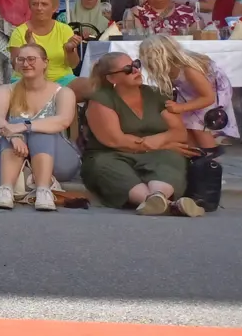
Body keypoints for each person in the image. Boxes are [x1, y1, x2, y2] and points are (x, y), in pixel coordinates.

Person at [83, 51, 202, 216]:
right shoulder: (101, 99)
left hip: (155, 152)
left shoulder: (155, 94)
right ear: (111, 78)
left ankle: (157, 199)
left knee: (172, 158)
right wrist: (163, 144)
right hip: (112, 154)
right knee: (106, 167)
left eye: (136, 65)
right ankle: (170, 205)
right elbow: (115, 141)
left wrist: (158, 141)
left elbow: (179, 132)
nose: (135, 70)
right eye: (127, 69)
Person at [0, 44, 79, 212]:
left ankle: (43, 190)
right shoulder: (6, 90)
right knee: (14, 127)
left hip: (58, 158)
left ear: (45, 62)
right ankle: (6, 189)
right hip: (13, 153)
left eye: (31, 59)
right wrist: (13, 136)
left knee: (40, 130)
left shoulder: (63, 92)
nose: (25, 64)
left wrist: (25, 126)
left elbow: (63, 121)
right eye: (21, 59)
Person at [139, 34, 236, 151]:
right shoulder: (168, 69)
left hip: (213, 92)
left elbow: (208, 98)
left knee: (199, 125)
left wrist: (181, 107)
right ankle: (194, 153)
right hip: (192, 92)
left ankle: (211, 155)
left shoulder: (190, 70)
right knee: (185, 123)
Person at [8, 0, 81, 84]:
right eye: (35, 4)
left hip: (61, 79)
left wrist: (69, 51)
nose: (39, 8)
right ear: (30, 7)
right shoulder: (19, 32)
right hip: (28, 80)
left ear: (54, 8)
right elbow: (16, 67)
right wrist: (31, 49)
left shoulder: (65, 29)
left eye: (44, 4)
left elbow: (73, 65)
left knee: (85, 85)